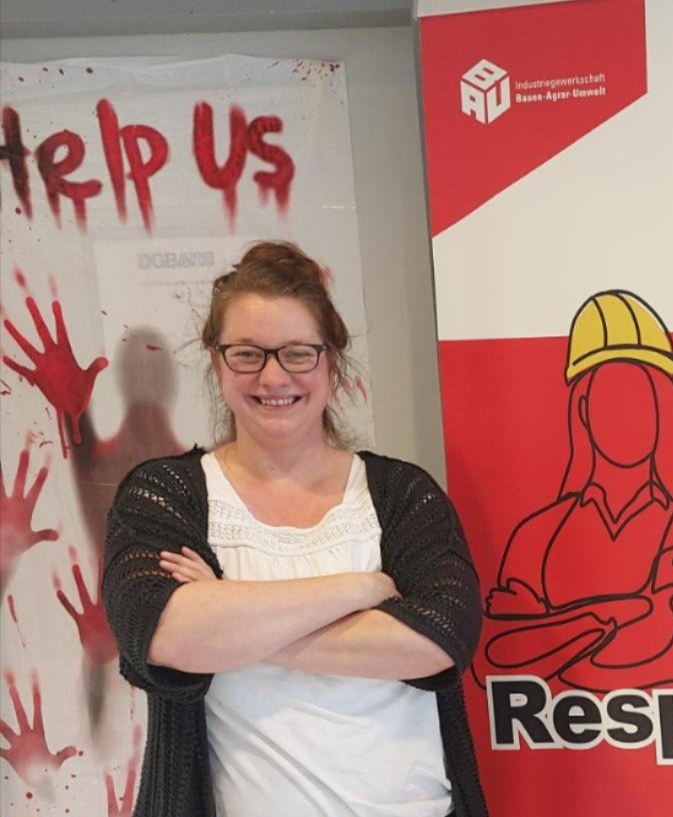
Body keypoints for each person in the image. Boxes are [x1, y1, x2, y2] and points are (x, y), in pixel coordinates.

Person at [101, 241, 487, 817]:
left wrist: (229, 617)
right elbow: (165, 638)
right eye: (247, 354)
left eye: (298, 353)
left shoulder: (403, 495)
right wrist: (361, 589)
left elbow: (439, 640)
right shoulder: (165, 496)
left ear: (331, 362)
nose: (273, 376)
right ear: (217, 363)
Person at [477, 290, 673, 693]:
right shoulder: (536, 536)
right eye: (611, 395)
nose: (627, 414)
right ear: (583, 409)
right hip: (567, 728)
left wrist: (550, 628)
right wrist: (624, 613)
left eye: (641, 396)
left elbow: (672, 648)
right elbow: (495, 660)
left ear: (663, 407)